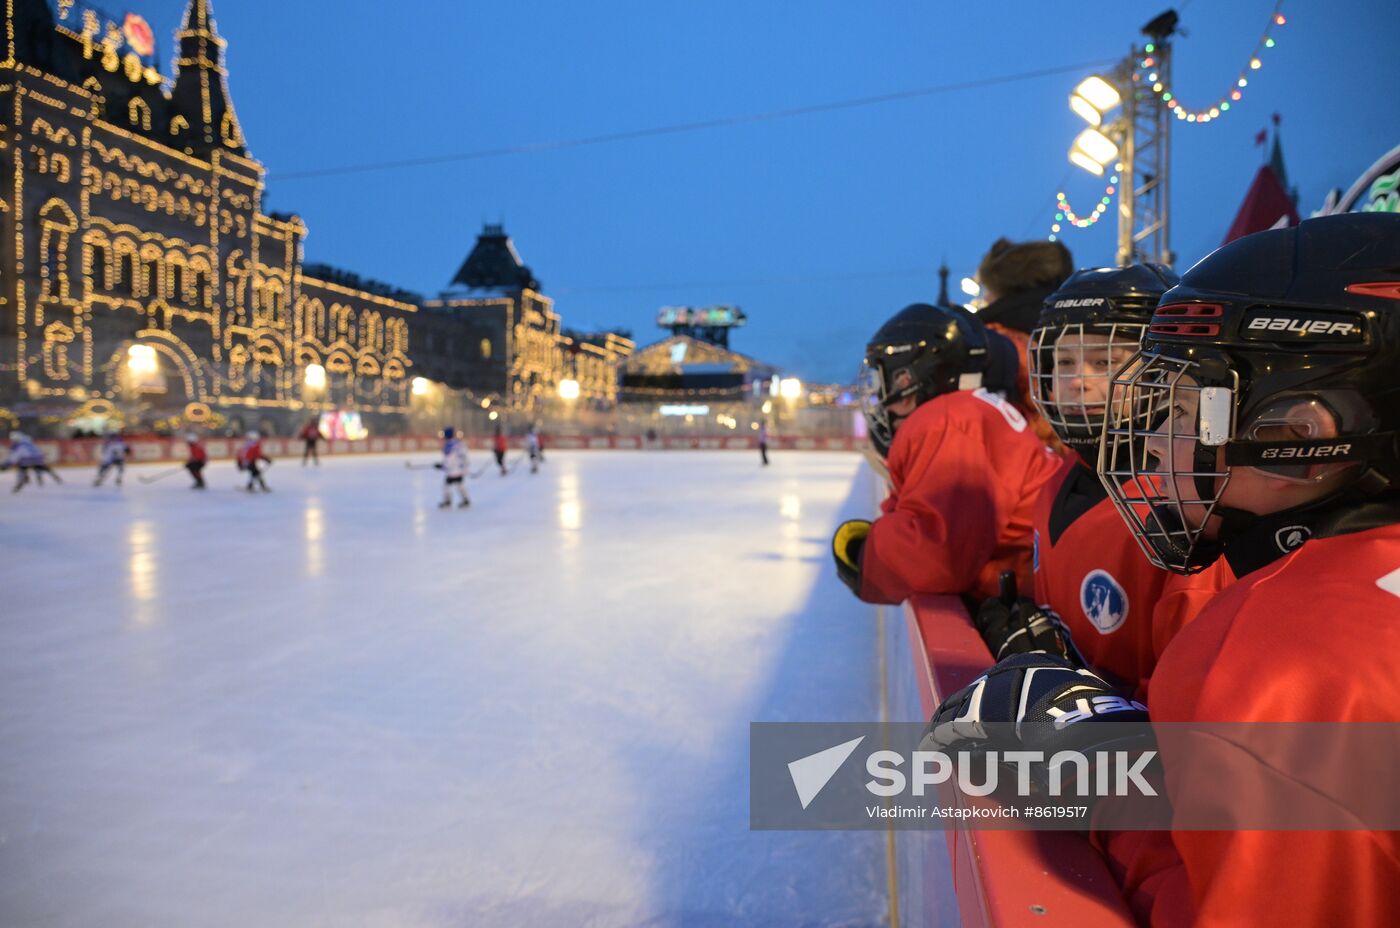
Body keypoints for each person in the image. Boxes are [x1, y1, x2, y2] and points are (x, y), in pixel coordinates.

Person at [929, 215, 1400, 927]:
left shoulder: (1288, 662)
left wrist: (1102, 770)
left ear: (1303, 437)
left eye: (1181, 410)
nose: (1152, 442)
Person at [975, 265, 1232, 699]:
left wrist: (1074, 702)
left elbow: (1187, 711)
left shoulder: (1190, 509)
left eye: (1104, 361)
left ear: (1163, 370)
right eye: (1065, 361)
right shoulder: (1056, 479)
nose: (1078, 381)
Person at [831, 303, 1062, 605]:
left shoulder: (948, 421)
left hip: (1038, 594)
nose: (882, 401)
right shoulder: (971, 412)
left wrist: (868, 553)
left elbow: (936, 556)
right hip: (1044, 583)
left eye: (885, 379)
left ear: (909, 377)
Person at [973, 237, 1076, 450]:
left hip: (1023, 460)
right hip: (1077, 458)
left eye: (989, 290)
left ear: (1004, 290)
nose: (986, 298)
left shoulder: (994, 338)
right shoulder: (1075, 327)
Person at [437, 426, 470, 508]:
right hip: (460, 470)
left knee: (446, 485)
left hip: (453, 471)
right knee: (460, 484)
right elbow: (465, 456)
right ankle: (465, 499)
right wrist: (464, 467)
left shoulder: (448, 445)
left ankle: (447, 501)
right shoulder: (459, 443)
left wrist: (442, 466)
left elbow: (449, 460)